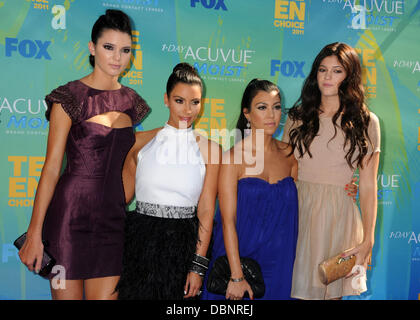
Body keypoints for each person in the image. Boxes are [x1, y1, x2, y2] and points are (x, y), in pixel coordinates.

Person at [17, 9, 150, 300]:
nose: (117, 57)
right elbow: (52, 167)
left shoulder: (132, 102)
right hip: (69, 218)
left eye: (125, 50)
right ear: (92, 48)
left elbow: (129, 153)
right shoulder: (69, 97)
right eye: (109, 47)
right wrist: (34, 233)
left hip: (112, 223)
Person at [282, 42, 381, 300]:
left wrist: (368, 241)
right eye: (322, 69)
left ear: (350, 75)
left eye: (337, 70)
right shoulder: (297, 116)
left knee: (331, 294)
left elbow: (369, 187)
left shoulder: (367, 121)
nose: (327, 76)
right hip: (299, 213)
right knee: (294, 291)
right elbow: (286, 170)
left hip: (340, 218)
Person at [116, 62, 220, 300]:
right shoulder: (139, 141)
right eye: (179, 101)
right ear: (166, 99)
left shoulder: (212, 151)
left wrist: (197, 267)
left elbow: (205, 211)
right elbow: (120, 199)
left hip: (183, 246)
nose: (188, 110)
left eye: (195, 102)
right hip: (140, 243)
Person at [201, 79, 299, 300]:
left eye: (276, 107)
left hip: (281, 264)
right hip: (240, 261)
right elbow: (228, 221)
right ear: (247, 113)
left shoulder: (290, 155)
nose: (272, 115)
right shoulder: (232, 158)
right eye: (262, 107)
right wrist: (236, 276)